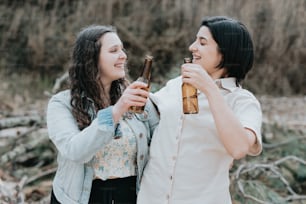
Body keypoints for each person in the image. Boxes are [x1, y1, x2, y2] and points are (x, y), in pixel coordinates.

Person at [137, 16, 263, 204]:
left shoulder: (243, 101)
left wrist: (210, 89)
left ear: (226, 51)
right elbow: (140, 115)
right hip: (150, 198)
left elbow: (239, 148)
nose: (192, 47)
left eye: (202, 43)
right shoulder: (175, 85)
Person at [46, 25, 159, 204]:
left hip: (130, 195)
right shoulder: (62, 104)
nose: (123, 55)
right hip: (82, 197)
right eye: (114, 50)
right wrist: (116, 110)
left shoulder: (139, 99)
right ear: (91, 58)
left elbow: (162, 143)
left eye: (122, 49)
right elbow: (75, 152)